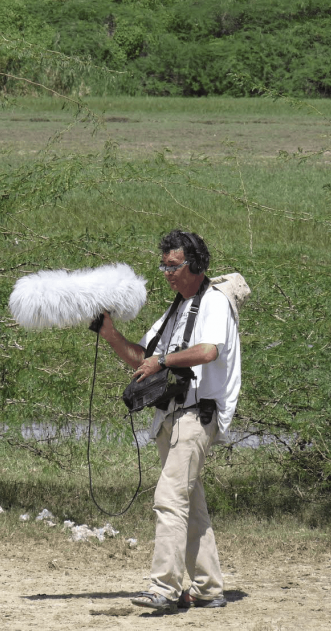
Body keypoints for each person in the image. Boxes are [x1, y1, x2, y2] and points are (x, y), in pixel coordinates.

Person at [96, 230, 241, 613]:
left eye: (172, 266)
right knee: (190, 505)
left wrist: (162, 361)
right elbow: (144, 359)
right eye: (163, 265)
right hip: (171, 416)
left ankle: (163, 587)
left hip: (197, 414)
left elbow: (207, 351)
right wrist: (111, 336)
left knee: (169, 498)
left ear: (194, 265)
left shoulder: (214, 303)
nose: (166, 273)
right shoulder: (175, 310)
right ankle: (209, 589)